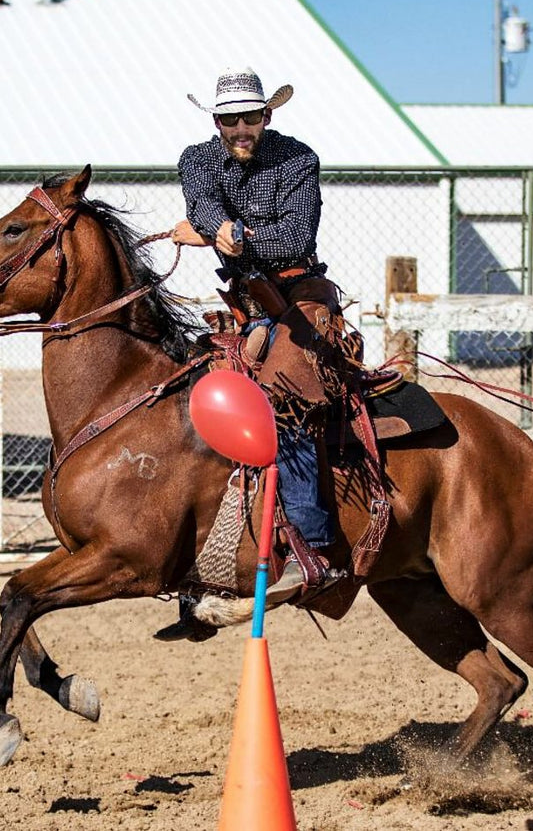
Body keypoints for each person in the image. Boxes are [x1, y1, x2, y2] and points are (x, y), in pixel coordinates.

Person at [155, 67, 344, 641]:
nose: (241, 127)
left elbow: (295, 236)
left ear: (268, 116)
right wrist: (216, 226)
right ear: (216, 121)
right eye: (231, 118)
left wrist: (228, 232)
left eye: (251, 117)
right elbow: (201, 202)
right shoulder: (197, 157)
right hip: (243, 303)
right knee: (184, 397)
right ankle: (201, 560)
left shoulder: (298, 160)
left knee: (283, 401)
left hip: (298, 296)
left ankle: (313, 551)